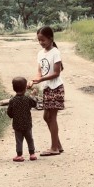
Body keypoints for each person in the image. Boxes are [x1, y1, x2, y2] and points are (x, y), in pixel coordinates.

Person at [27, 26, 64, 156]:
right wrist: (33, 81)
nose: (41, 43)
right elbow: (39, 72)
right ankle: (58, 145)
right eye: (39, 40)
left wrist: (41, 79)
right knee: (46, 117)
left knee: (51, 117)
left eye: (43, 40)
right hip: (47, 88)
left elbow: (57, 73)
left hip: (56, 88)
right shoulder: (40, 54)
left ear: (51, 38)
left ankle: (54, 148)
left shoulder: (55, 52)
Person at [7, 77, 38, 162]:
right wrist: (33, 95)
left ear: (14, 88)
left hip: (17, 125)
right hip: (27, 124)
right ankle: (32, 154)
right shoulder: (27, 99)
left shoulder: (12, 100)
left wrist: (13, 116)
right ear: (25, 88)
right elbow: (34, 104)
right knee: (30, 139)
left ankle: (19, 155)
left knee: (19, 141)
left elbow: (9, 113)